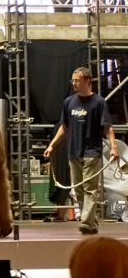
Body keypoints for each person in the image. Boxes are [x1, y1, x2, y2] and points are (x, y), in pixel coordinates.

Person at [44, 67, 117, 235]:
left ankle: (85, 221)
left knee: (90, 188)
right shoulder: (69, 102)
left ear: (87, 81)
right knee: (78, 190)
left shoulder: (99, 102)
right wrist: (52, 145)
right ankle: (90, 223)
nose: (74, 83)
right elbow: (65, 127)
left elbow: (107, 127)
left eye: (77, 80)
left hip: (92, 152)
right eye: (73, 80)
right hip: (73, 152)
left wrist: (113, 147)